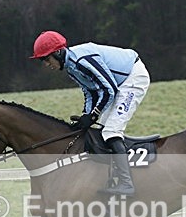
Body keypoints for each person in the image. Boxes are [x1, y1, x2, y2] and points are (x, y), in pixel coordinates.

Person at [30, 30, 150, 196]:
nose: (46, 64)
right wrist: (86, 116)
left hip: (133, 78)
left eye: (46, 58)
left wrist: (93, 115)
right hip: (117, 84)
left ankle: (126, 183)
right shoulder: (70, 67)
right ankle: (110, 175)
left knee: (111, 131)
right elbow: (90, 92)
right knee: (100, 129)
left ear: (58, 53)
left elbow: (109, 90)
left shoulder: (82, 61)